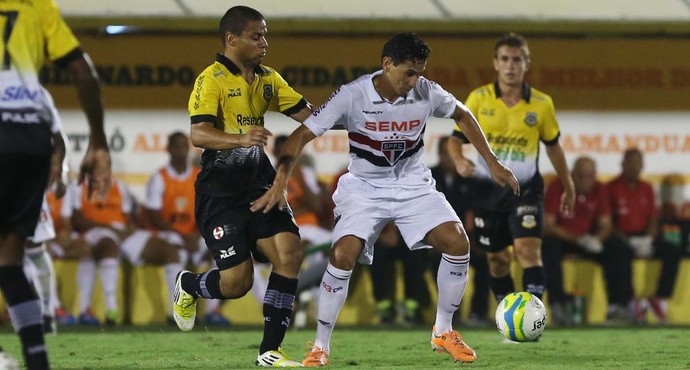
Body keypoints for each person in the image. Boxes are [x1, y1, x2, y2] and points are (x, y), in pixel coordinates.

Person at [251, 32, 519, 366]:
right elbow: (302, 134)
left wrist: (491, 161)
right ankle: (320, 346)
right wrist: (281, 181)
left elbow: (462, 114)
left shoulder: (427, 91)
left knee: (457, 243)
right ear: (387, 64)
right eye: (408, 72)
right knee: (342, 253)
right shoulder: (352, 95)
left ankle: (443, 331)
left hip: (412, 184)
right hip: (364, 187)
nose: (414, 80)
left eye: (419, 72)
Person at [172, 6, 313, 367]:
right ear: (231, 39)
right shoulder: (211, 79)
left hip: (259, 184)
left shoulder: (268, 79)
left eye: (266, 35)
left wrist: (358, 112)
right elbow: (198, 133)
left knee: (290, 254)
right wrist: (240, 138)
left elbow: (311, 116)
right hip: (219, 193)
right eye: (256, 36)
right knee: (237, 283)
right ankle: (189, 285)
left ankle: (269, 351)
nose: (264, 43)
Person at [0, 0, 108, 368]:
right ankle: (37, 360)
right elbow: (82, 70)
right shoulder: (36, 6)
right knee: (10, 263)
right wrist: (98, 141)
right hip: (29, 136)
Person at [447, 33, 575, 309]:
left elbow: (553, 146)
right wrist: (458, 161)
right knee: (498, 259)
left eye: (517, 59)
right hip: (487, 191)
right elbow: (455, 140)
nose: (510, 65)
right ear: (495, 63)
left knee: (527, 251)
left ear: (526, 64)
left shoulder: (541, 103)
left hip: (526, 188)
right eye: (505, 59)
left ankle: (534, 317)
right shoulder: (479, 99)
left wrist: (568, 184)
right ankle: (509, 315)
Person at [542, 156, 634, 326]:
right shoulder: (557, 187)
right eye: (581, 176)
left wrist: (596, 239)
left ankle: (618, 306)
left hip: (590, 238)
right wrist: (577, 239)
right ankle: (559, 305)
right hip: (564, 238)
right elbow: (548, 225)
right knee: (548, 247)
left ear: (595, 175)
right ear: (572, 174)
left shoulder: (600, 189)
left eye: (589, 176)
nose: (585, 181)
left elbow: (606, 224)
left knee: (619, 249)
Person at [120, 131, 198, 325]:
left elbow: (206, 210)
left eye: (183, 146)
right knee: (177, 252)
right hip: (169, 233)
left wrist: (196, 234)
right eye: (176, 146)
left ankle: (212, 313)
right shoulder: (160, 178)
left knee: (220, 254)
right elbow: (155, 217)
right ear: (169, 149)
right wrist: (183, 235)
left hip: (195, 234)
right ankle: (177, 311)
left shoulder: (198, 176)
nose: (180, 151)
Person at [430, 136, 491, 327]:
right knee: (422, 260)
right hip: (435, 240)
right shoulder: (427, 177)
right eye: (447, 153)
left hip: (468, 239)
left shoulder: (470, 178)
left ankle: (478, 313)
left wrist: (475, 238)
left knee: (484, 261)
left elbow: (480, 209)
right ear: (440, 154)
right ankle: (450, 315)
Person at [607, 148, 664, 323]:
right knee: (619, 252)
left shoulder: (647, 188)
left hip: (644, 236)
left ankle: (660, 297)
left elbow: (654, 218)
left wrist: (648, 238)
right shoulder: (610, 188)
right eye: (631, 162)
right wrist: (630, 242)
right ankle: (629, 303)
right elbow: (607, 224)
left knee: (672, 247)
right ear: (623, 164)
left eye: (639, 163)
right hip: (621, 236)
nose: (635, 167)